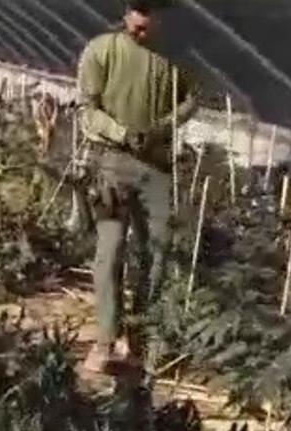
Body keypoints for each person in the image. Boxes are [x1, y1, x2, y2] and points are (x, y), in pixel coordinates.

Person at [75, 0, 198, 372]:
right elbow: (88, 108)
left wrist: (163, 126)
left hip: (155, 167)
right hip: (111, 162)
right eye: (135, 11)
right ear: (126, 13)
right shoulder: (102, 50)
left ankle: (141, 339)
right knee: (109, 251)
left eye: (148, 14)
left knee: (157, 251)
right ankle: (105, 340)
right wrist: (123, 133)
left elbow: (192, 99)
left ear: (160, 18)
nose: (140, 21)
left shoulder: (175, 59)